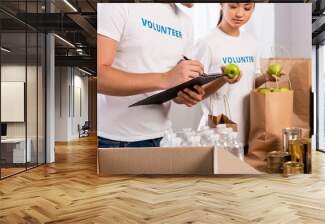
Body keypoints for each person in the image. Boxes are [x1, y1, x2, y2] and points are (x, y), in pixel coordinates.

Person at [97, 3, 205, 148]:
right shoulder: (117, 7)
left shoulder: (186, 22)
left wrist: (184, 93)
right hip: (112, 140)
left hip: (162, 137)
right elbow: (99, 77)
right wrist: (166, 79)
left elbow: (172, 83)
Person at [191, 3, 273, 146]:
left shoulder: (252, 43)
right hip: (217, 134)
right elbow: (196, 94)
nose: (240, 14)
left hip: (248, 133)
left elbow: (250, 84)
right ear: (221, 5)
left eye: (247, 8)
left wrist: (266, 77)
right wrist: (222, 80)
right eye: (234, 6)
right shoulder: (206, 43)